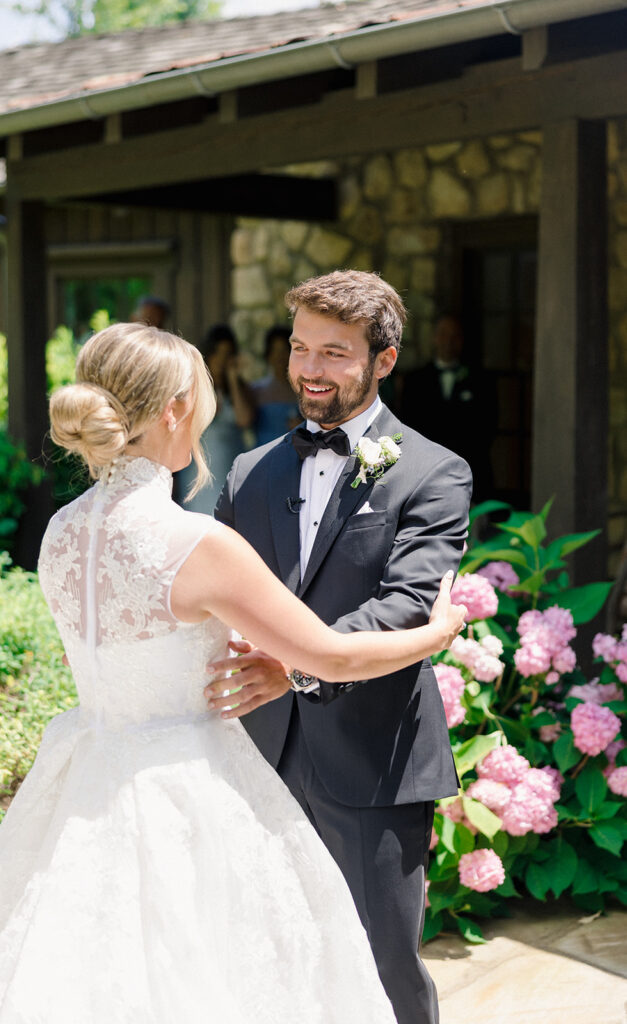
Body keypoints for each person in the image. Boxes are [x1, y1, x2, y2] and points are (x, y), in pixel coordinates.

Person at [0, 321, 466, 1024]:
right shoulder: (192, 542)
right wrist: (440, 629)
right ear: (173, 412)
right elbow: (330, 655)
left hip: (85, 777)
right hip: (187, 791)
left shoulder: (61, 531)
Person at [210, 271, 473, 1024]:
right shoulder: (248, 474)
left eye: (334, 353)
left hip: (372, 757)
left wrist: (288, 663)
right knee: (269, 961)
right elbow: (220, 597)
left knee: (381, 967)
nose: (309, 371)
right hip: (254, 756)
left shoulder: (433, 472)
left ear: (382, 361)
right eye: (299, 348)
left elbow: (404, 609)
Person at [398, 313, 496, 502]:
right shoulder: (415, 380)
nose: (449, 342)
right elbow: (408, 425)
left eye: (455, 336)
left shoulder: (481, 380)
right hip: (425, 473)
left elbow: (488, 425)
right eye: (443, 335)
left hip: (471, 472)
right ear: (434, 338)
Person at [180, 323, 253, 513]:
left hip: (231, 463)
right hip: (199, 467)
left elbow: (244, 420)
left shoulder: (239, 387)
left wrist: (232, 378)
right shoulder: (192, 385)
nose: (221, 359)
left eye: (227, 354)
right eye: (218, 353)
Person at [251, 324, 300, 445]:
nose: (279, 356)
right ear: (268, 354)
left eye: (284, 350)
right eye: (275, 350)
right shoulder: (256, 390)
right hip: (263, 458)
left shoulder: (304, 390)